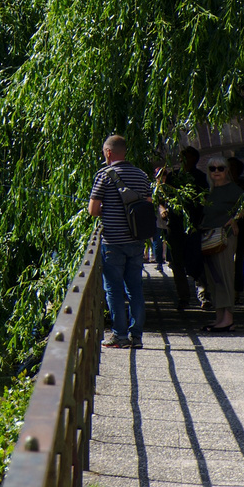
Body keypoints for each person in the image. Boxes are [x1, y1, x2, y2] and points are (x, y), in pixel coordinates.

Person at [89, 134, 152, 349]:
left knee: (114, 289)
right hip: (136, 240)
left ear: (108, 152)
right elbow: (148, 205)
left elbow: (93, 210)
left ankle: (120, 336)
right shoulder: (142, 175)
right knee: (135, 288)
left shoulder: (104, 175)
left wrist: (109, 208)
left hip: (113, 241)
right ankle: (137, 337)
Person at [200, 155, 244, 332]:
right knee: (213, 277)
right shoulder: (208, 190)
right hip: (208, 237)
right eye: (212, 168)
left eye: (220, 168)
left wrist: (235, 218)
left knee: (224, 275)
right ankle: (219, 317)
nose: (216, 172)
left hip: (224, 237)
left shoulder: (232, 188)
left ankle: (228, 318)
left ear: (226, 171)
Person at [158, 149, 207, 312]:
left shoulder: (200, 177)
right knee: (176, 263)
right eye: (182, 156)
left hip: (193, 225)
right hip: (175, 224)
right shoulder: (173, 176)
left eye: (187, 156)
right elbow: (162, 198)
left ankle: (204, 295)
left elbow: (204, 201)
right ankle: (183, 298)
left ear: (194, 158)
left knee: (196, 261)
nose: (183, 159)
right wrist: (162, 209)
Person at [228, 156, 244, 303]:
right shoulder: (222, 185)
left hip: (242, 228)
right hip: (226, 228)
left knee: (239, 261)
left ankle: (236, 290)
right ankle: (227, 289)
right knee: (225, 261)